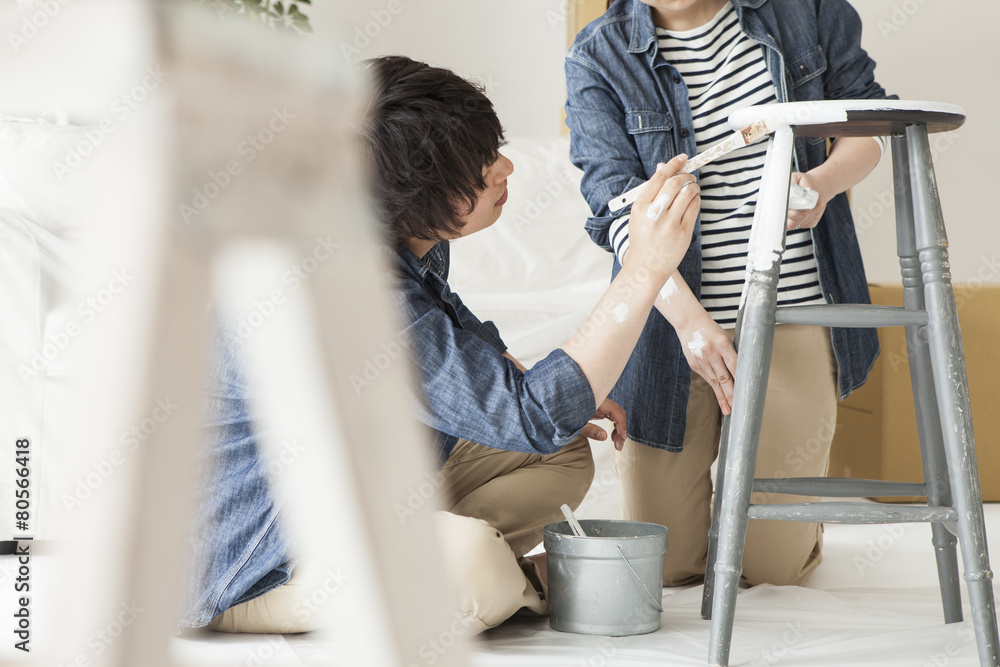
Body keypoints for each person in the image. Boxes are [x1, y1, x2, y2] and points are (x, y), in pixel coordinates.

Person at [181, 54, 701, 634]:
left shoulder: (394, 237)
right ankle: (509, 581)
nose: (505, 167)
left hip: (352, 492)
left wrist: (550, 389)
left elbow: (455, 345)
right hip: (253, 570)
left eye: (493, 148)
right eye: (478, 169)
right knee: (477, 564)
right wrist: (646, 266)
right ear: (408, 199)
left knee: (562, 450)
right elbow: (528, 413)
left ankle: (422, 553)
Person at [565, 0, 892, 586]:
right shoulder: (598, 55)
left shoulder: (809, 12)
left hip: (791, 314)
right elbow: (617, 215)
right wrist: (691, 324)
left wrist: (819, 186)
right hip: (666, 331)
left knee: (768, 570)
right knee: (662, 566)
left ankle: (790, 529)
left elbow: (867, 124)